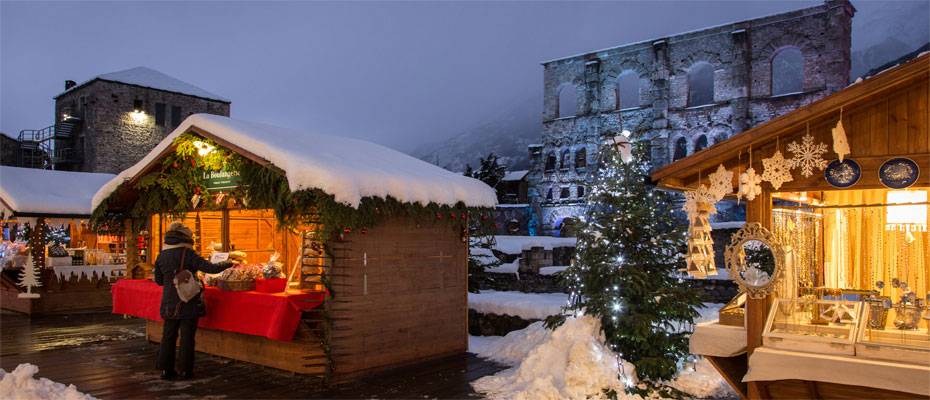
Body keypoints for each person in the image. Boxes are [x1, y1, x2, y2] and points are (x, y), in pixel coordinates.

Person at [154, 221, 233, 380]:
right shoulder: (187, 253)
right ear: (185, 237)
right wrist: (229, 262)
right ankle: (185, 370)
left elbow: (159, 281)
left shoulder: (162, 255)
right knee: (187, 337)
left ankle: (166, 370)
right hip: (188, 301)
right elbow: (210, 268)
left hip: (169, 302)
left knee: (168, 335)